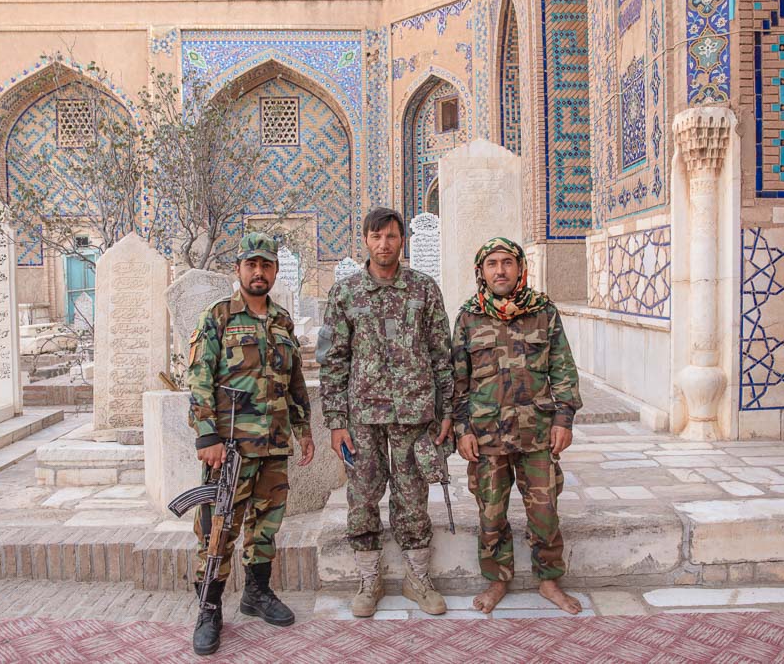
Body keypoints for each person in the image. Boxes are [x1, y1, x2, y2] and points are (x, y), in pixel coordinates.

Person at [317, 207, 453, 618]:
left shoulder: (424, 290)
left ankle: (417, 579)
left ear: (401, 241)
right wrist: (337, 422)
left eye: (392, 237)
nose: (384, 244)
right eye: (376, 237)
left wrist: (446, 411)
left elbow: (441, 354)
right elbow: (333, 361)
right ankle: (368, 579)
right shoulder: (345, 295)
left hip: (415, 416)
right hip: (363, 419)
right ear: (365, 241)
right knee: (362, 498)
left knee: (413, 498)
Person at [186, 232, 314, 655]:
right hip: (230, 449)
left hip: (274, 445)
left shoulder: (282, 321)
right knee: (218, 530)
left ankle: (257, 594)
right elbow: (200, 377)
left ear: (275, 270)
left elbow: (294, 380)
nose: (259, 273)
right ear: (238, 269)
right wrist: (207, 435)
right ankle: (209, 608)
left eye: (267, 266)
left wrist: (304, 429)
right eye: (251, 265)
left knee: (266, 527)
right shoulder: (218, 317)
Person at [451, 236, 583, 615]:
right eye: (492, 264)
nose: (500, 270)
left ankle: (548, 579)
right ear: (481, 272)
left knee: (545, 514)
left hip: (537, 433)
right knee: (490, 515)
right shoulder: (468, 317)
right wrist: (462, 430)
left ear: (520, 268)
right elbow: (457, 382)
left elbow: (562, 368)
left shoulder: (544, 311)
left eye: (507, 263)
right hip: (486, 436)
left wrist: (564, 419)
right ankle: (496, 580)